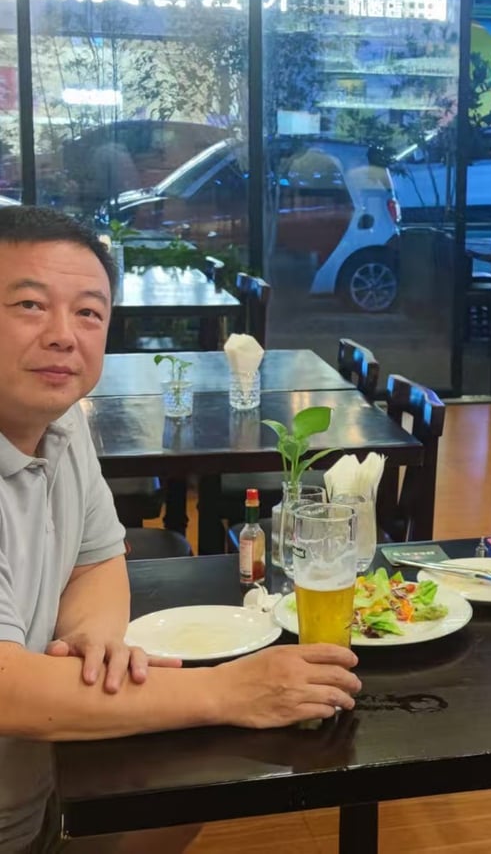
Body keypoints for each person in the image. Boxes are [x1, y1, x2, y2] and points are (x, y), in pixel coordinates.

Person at [0, 206, 361, 853]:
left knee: (200, 778)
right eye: (29, 304)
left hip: (43, 798)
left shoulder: (64, 421)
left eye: (88, 312)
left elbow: (98, 556)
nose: (63, 335)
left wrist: (92, 638)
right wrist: (227, 689)